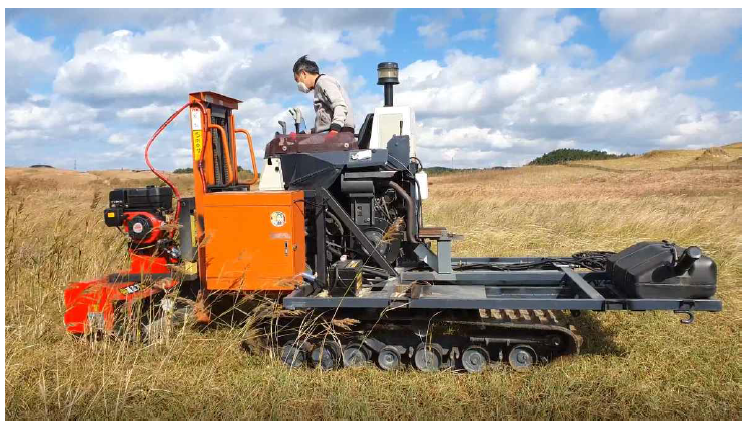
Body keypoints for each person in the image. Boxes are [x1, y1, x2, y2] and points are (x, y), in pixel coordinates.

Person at [293, 55, 355, 140]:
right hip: (331, 132)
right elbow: (324, 125)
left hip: (340, 133)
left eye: (297, 79)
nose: (298, 84)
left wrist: (334, 130)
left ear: (304, 74)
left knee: (296, 148)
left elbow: (340, 106)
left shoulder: (324, 82)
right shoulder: (319, 86)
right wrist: (303, 134)